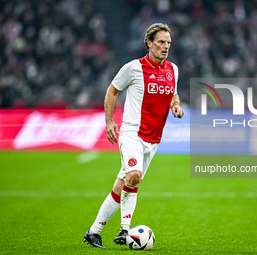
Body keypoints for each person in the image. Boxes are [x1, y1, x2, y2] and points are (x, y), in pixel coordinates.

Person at [83, 23, 184, 248]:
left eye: (168, 42)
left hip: (153, 139)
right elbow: (112, 90)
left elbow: (173, 95)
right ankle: (125, 231)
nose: (165, 46)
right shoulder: (133, 68)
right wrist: (109, 121)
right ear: (149, 43)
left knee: (124, 184)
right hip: (132, 133)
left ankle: (94, 232)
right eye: (161, 42)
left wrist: (175, 106)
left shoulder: (173, 70)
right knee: (134, 176)